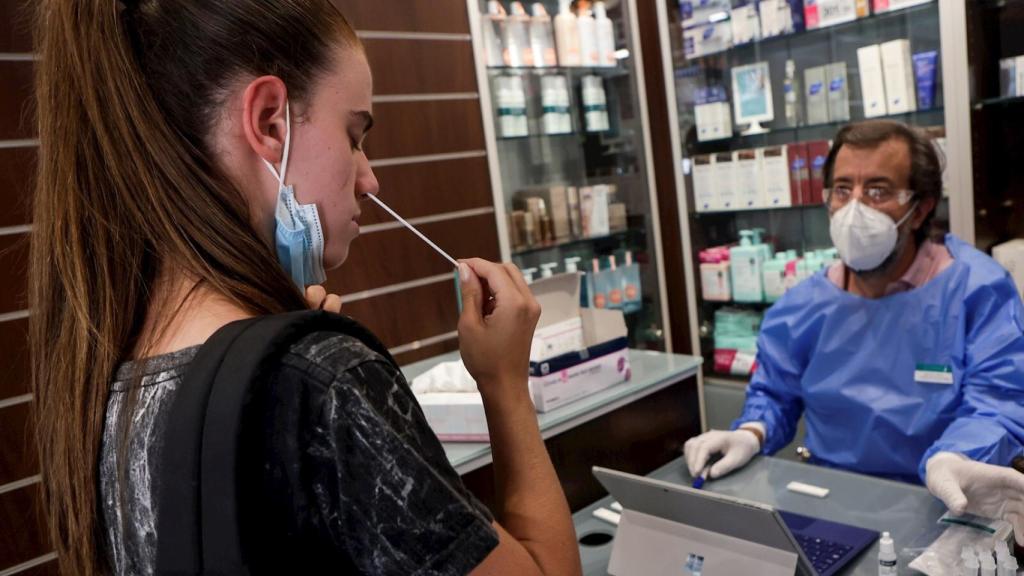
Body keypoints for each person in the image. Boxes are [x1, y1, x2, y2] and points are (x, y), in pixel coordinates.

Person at [29, 1, 582, 575]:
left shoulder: (109, 373)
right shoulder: (322, 377)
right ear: (270, 121)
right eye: (354, 135)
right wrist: (505, 382)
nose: (370, 179)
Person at [684, 120, 1024, 541]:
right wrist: (750, 432)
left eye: (877, 191)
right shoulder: (802, 306)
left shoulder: (976, 290)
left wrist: (956, 456)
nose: (854, 208)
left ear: (920, 208)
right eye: (842, 190)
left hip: (946, 507)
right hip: (829, 505)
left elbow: (998, 402)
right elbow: (774, 394)